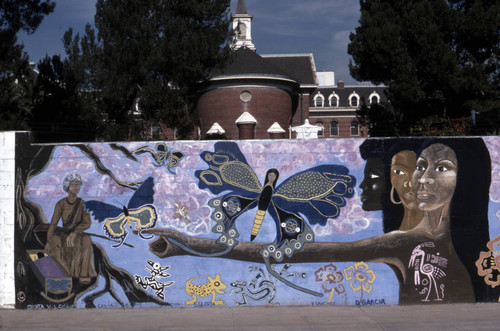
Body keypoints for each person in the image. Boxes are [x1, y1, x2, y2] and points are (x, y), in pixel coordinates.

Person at [330, 138, 499, 303]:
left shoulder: (442, 243)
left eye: (441, 168)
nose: (422, 179)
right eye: (421, 166)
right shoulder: (408, 239)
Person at [45, 173, 95, 282]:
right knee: (54, 242)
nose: (76, 187)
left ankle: (84, 274)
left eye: (78, 184)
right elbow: (53, 224)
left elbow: (87, 223)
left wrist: (75, 232)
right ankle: (64, 274)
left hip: (76, 235)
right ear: (68, 186)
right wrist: (48, 241)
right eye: (73, 184)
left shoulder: (82, 204)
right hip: (63, 234)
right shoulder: (61, 204)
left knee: (86, 240)